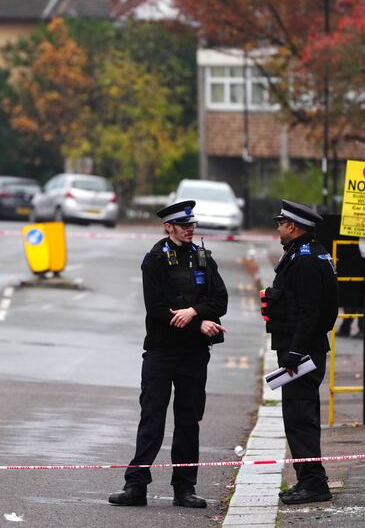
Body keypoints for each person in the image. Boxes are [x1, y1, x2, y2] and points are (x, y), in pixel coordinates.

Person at [109, 200, 228, 509]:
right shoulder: (154, 260)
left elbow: (221, 301)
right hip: (161, 352)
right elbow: (158, 310)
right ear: (168, 227)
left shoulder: (204, 258)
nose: (190, 230)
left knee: (189, 421)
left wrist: (194, 314)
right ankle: (136, 486)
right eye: (184, 226)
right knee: (152, 418)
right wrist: (199, 323)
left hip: (194, 354)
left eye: (192, 225)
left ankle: (184, 488)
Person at [260, 200, 338, 505]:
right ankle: (308, 479)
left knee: (300, 417)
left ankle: (314, 484)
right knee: (300, 415)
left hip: (301, 354)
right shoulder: (311, 253)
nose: (278, 229)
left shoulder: (304, 260)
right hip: (304, 350)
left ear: (292, 226)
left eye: (281, 223)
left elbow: (311, 311)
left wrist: (295, 351)